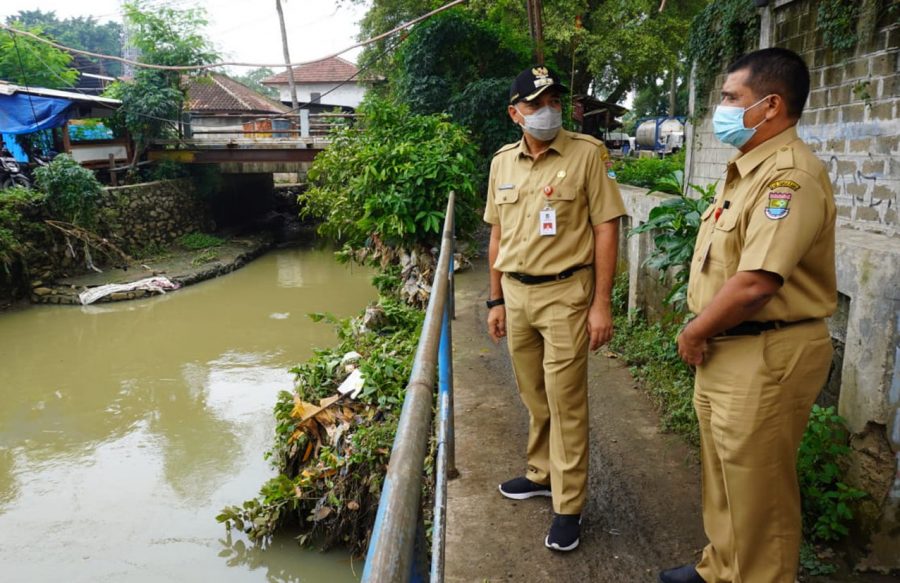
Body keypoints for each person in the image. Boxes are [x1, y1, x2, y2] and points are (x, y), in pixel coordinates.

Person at [659, 47, 836, 583]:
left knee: (760, 492)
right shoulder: (743, 172)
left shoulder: (789, 177)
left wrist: (694, 331)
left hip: (766, 350)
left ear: (770, 105)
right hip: (728, 348)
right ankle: (721, 568)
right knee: (723, 474)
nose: (722, 108)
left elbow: (757, 282)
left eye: (732, 98)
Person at [483, 65, 626, 552]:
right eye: (536, 104)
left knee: (565, 401)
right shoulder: (502, 162)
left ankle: (569, 505)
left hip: (566, 294)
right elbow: (497, 233)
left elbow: (608, 226)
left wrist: (601, 303)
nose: (548, 111)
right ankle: (541, 473)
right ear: (514, 114)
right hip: (517, 296)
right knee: (533, 394)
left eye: (553, 102)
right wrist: (495, 297)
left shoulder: (587, 154)